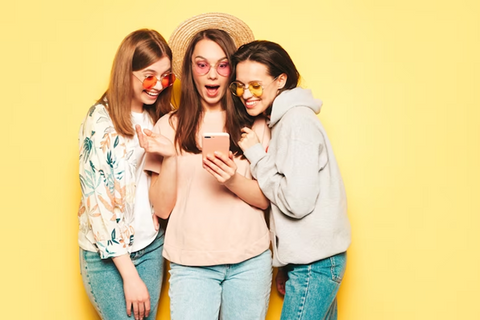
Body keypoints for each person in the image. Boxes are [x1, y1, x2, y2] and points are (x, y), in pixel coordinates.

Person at [138, 13, 272, 320]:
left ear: (232, 71)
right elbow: (161, 208)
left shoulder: (256, 124)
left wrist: (231, 179)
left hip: (249, 260)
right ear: (190, 70)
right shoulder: (167, 126)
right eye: (202, 65)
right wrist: (172, 154)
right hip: (192, 264)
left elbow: (266, 199)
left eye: (222, 65)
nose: (212, 74)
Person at [231, 40, 352, 320]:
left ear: (280, 80)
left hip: (315, 264)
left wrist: (255, 156)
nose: (245, 94)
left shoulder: (296, 121)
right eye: (239, 85)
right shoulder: (286, 120)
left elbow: (297, 202)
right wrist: (285, 262)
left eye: (256, 85)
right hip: (312, 260)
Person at [77, 29, 175, 320]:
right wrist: (130, 276)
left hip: (151, 245)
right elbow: (97, 203)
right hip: (110, 257)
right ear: (126, 72)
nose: (158, 84)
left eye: (166, 76)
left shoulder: (160, 117)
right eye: (149, 75)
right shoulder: (100, 120)